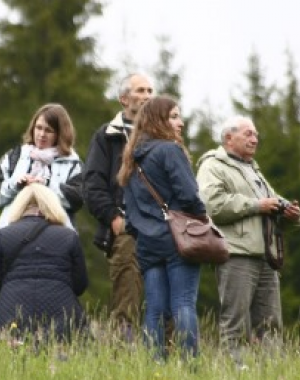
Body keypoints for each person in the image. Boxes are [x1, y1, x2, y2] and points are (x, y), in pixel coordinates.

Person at [196, 116, 300, 366]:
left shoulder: (253, 170)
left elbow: (273, 204)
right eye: (248, 134)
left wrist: (291, 215)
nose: (254, 139)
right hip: (236, 255)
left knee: (271, 324)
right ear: (228, 138)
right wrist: (257, 205)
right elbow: (212, 206)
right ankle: (234, 370)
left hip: (265, 258)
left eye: (256, 134)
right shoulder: (213, 166)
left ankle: (272, 370)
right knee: (235, 321)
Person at [117, 95, 207, 359]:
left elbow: (129, 214)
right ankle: (189, 367)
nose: (181, 123)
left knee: (154, 309)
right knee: (183, 304)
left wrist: (144, 232)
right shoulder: (170, 151)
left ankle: (154, 367)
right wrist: (201, 220)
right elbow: (190, 195)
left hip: (147, 242)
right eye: (174, 116)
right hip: (178, 240)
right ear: (159, 120)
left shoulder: (131, 159)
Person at [82, 73, 153, 332]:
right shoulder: (106, 136)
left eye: (150, 91)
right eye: (140, 91)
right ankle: (121, 362)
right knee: (127, 303)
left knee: (164, 303)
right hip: (127, 230)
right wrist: (114, 218)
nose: (147, 96)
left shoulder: (162, 135)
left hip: (162, 228)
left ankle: (166, 361)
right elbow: (91, 186)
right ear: (124, 99)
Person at [0, 184, 88, 342]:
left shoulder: (3, 235)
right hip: (61, 312)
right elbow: (80, 285)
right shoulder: (69, 236)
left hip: (11, 309)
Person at [0, 103, 83, 235]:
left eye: (48, 130)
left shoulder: (73, 164)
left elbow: (77, 200)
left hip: (56, 238)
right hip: (13, 236)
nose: (41, 134)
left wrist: (45, 185)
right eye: (38, 128)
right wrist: (16, 185)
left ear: (60, 134)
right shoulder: (14, 157)